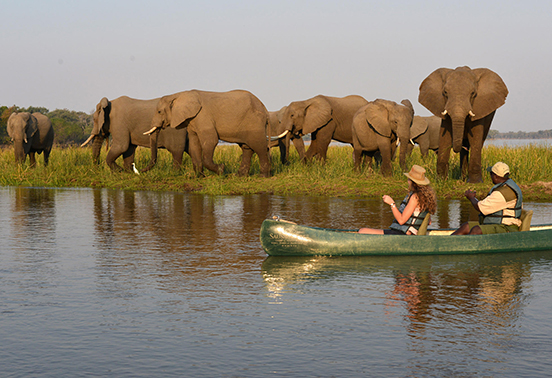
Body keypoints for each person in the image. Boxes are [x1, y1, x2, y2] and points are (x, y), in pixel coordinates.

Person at [359, 165, 437, 235]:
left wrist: (392, 204)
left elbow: (401, 220)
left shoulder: (415, 197)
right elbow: (429, 222)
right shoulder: (425, 198)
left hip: (402, 234)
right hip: (406, 233)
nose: (407, 181)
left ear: (412, 182)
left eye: (409, 179)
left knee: (362, 231)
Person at [452, 162, 522, 235]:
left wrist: (471, 198)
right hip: (496, 224)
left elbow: (480, 207)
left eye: (491, 174)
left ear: (495, 176)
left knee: (476, 230)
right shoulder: (508, 186)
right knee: (466, 226)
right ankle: (448, 243)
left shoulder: (501, 193)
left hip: (506, 227)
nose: (490, 176)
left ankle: (467, 246)